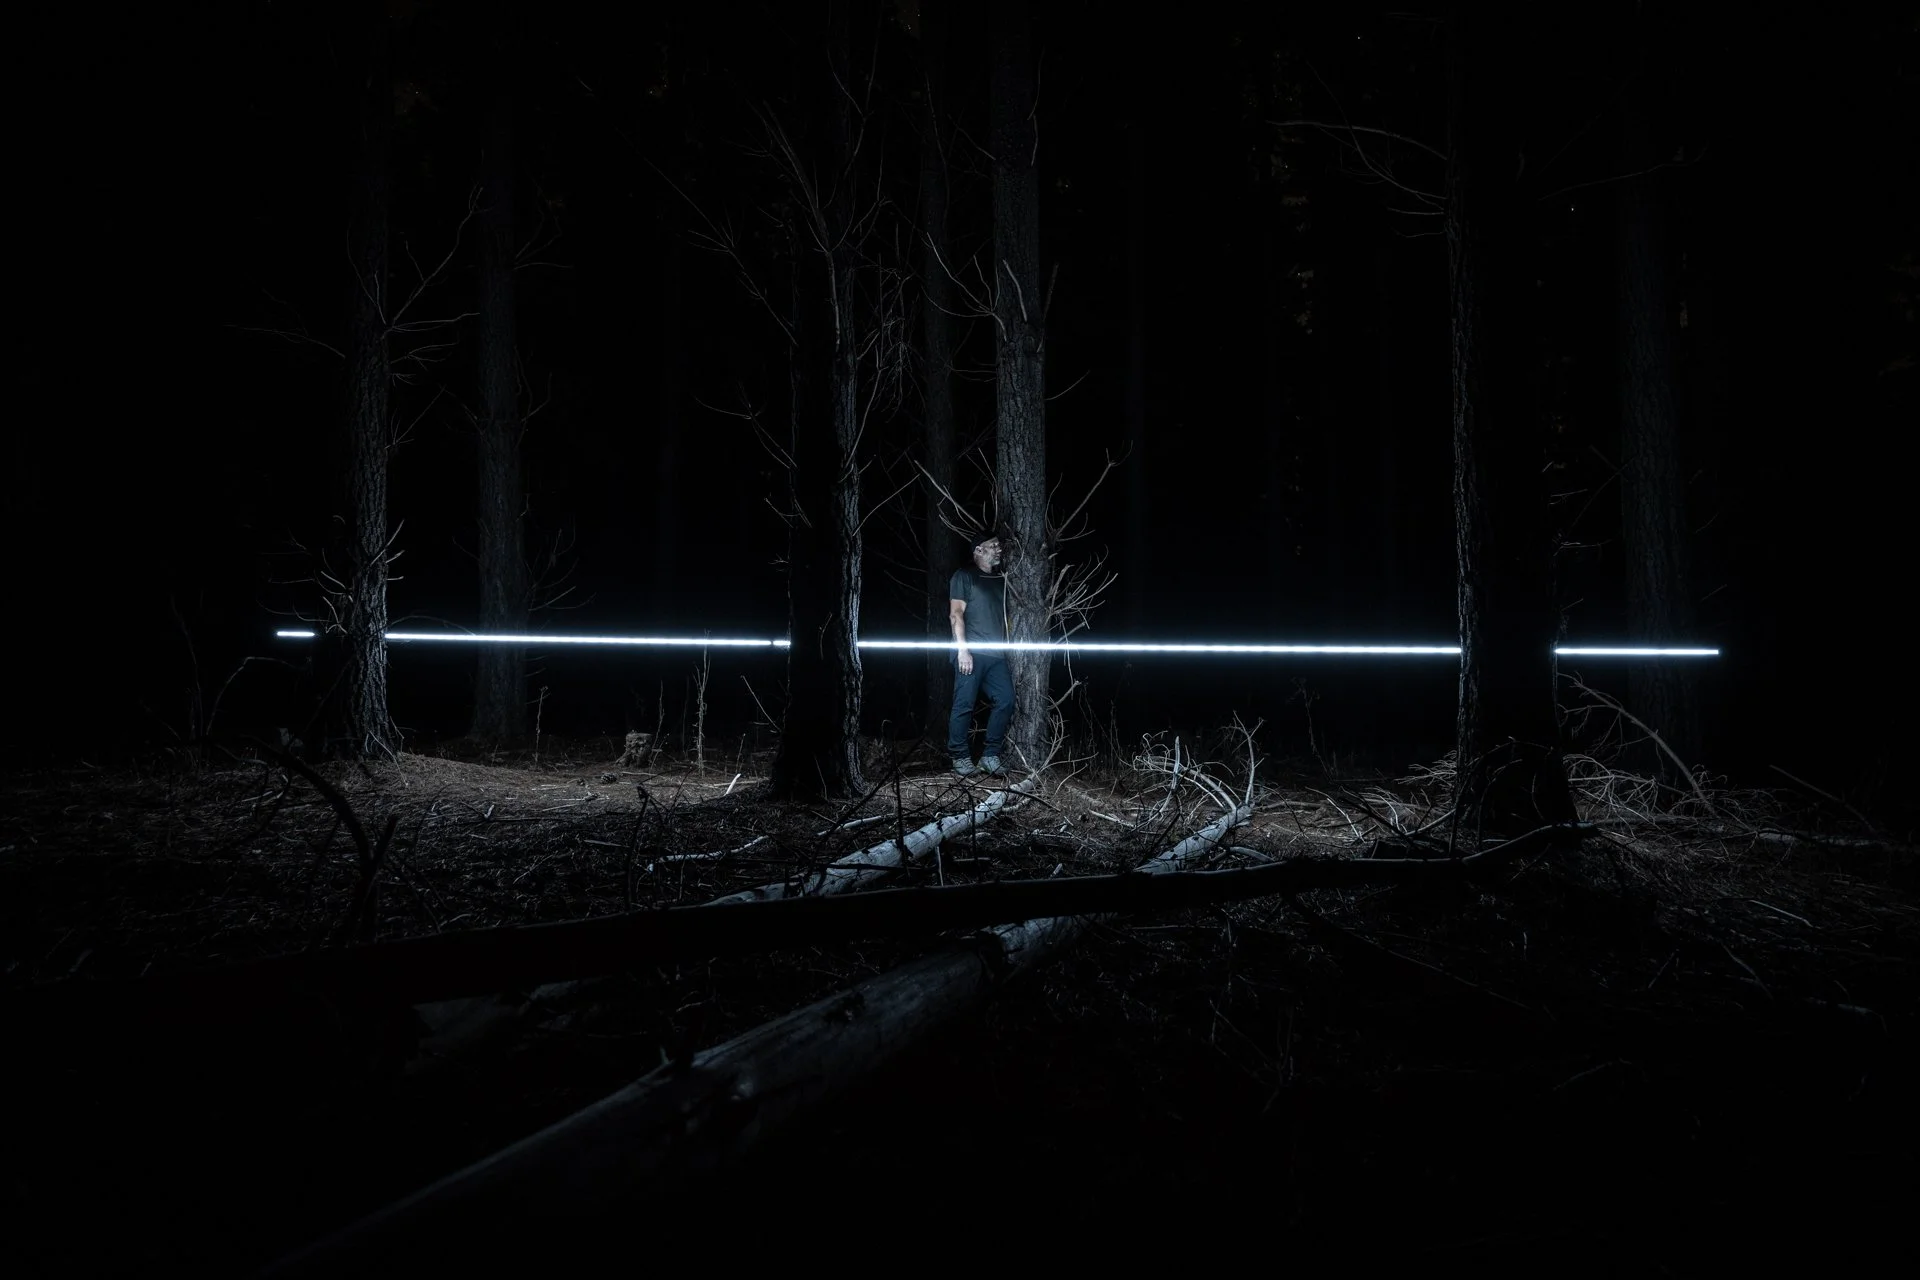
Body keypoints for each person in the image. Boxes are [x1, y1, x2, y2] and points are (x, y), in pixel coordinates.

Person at [948, 533, 1014, 775]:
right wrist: (962, 650)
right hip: (971, 652)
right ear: (978, 550)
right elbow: (956, 614)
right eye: (993, 545)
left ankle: (990, 756)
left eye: (998, 545)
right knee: (964, 704)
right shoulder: (964, 576)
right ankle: (959, 757)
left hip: (996, 655)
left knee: (1006, 699)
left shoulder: (1001, 579)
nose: (998, 549)